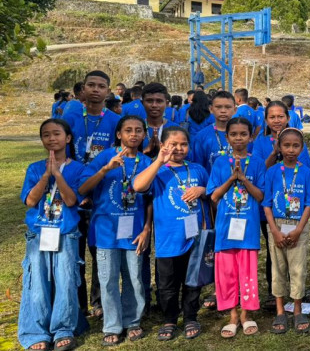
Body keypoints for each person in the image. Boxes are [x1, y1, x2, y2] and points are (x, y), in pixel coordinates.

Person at [79, 116, 151, 345]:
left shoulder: (147, 162)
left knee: (135, 279)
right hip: (106, 231)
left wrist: (147, 228)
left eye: (138, 130)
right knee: (108, 279)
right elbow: (83, 188)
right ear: (119, 134)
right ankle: (111, 325)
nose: (133, 134)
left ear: (144, 135)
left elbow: (151, 199)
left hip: (135, 231)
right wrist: (105, 169)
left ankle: (132, 321)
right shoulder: (105, 157)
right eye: (128, 130)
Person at [133, 126, 209, 341]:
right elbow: (138, 186)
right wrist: (159, 160)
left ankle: (190, 316)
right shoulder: (157, 171)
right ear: (163, 145)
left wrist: (202, 190)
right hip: (169, 238)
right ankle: (169, 318)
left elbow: (211, 194)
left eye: (183, 144)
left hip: (194, 236)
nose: (178, 148)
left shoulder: (197, 169)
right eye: (173, 144)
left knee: (192, 279)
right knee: (167, 282)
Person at [18, 119, 84, 351]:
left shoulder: (78, 169)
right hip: (39, 233)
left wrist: (58, 173)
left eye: (57, 134)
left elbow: (71, 200)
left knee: (65, 280)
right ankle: (35, 331)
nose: (52, 139)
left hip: (65, 233)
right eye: (46, 135)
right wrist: (46, 176)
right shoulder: (35, 168)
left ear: (67, 138)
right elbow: (30, 200)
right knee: (36, 282)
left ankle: (63, 329)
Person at [62, 70, 120, 317]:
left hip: (103, 196)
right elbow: (64, 156)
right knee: (74, 253)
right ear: (82, 90)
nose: (96, 90)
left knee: (101, 252)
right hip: (74, 196)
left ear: (108, 91)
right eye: (91, 85)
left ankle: (98, 302)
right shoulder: (72, 118)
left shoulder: (115, 121)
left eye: (101, 86)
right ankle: (77, 303)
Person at [207, 118, 265, 338]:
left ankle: (246, 314)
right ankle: (232, 314)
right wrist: (232, 178)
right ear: (227, 137)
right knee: (227, 274)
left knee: (247, 273)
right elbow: (213, 196)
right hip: (225, 228)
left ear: (251, 137)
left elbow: (260, 196)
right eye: (234, 134)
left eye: (243, 134)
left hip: (248, 229)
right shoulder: (220, 163)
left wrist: (244, 179)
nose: (239, 138)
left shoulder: (257, 162)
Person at [262, 128, 310, 334]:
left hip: (298, 226)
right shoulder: (272, 172)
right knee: (278, 268)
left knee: (298, 268)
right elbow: (266, 203)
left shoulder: (304, 172)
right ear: (279, 147)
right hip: (276, 224)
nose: (291, 150)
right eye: (286, 145)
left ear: (302, 148)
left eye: (296, 146)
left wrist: (299, 229)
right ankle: (279, 310)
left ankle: (296, 309)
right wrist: (275, 231)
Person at [190, 91, 236, 172]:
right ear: (211, 109)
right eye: (218, 107)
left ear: (235, 110)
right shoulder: (201, 137)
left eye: (228, 107)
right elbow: (198, 168)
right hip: (211, 183)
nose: (223, 111)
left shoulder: (243, 135)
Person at [142, 82, 178, 156]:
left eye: (159, 101)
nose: (154, 105)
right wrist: (145, 151)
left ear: (166, 103)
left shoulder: (176, 129)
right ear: (142, 103)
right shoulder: (135, 129)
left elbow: (184, 159)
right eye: (149, 101)